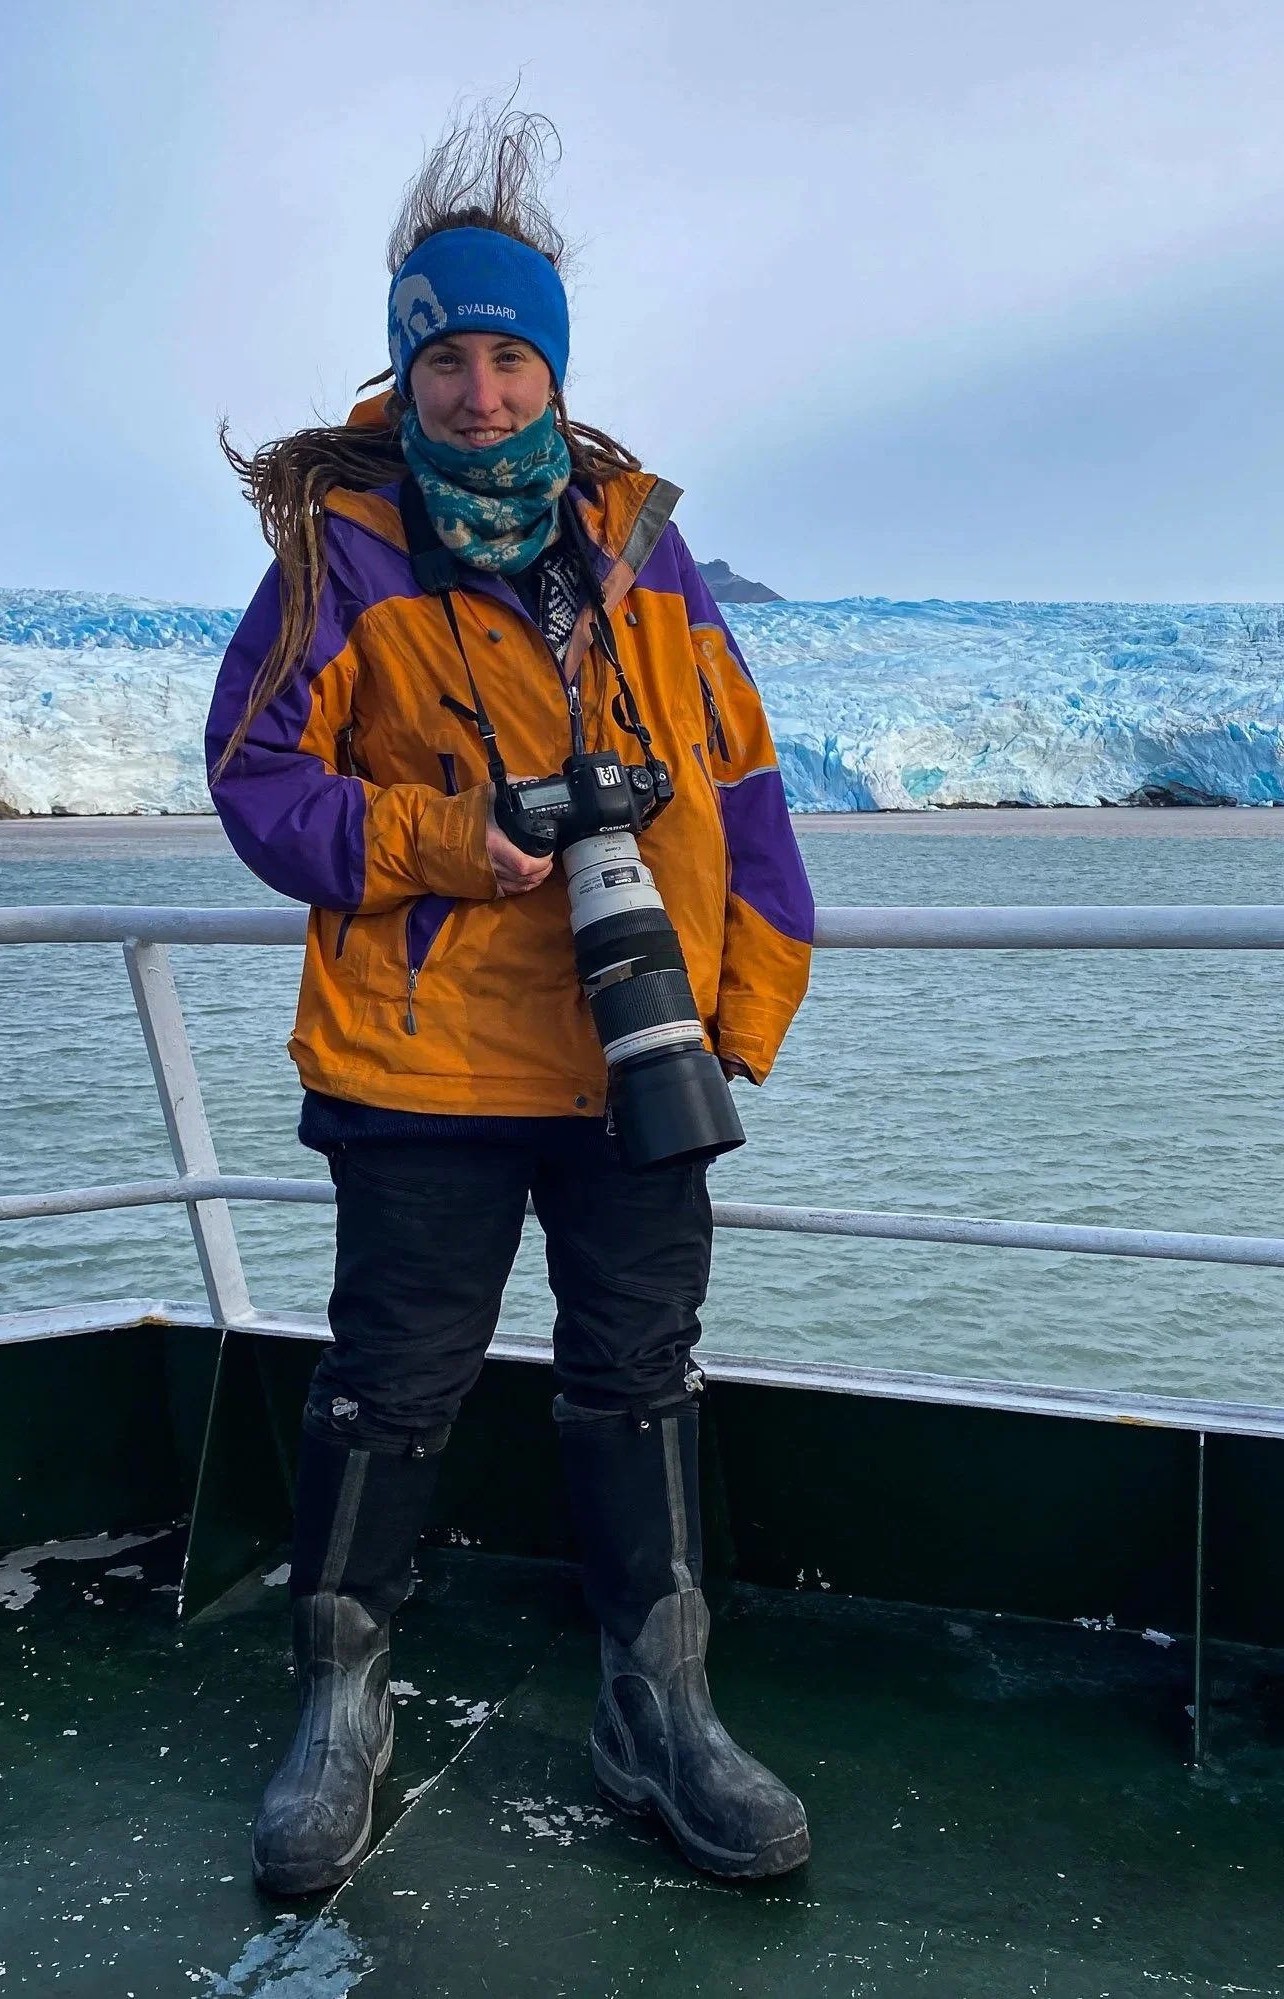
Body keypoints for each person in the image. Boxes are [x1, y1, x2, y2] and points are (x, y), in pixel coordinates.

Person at [205, 111, 815, 1895]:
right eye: (445, 356)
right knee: (393, 1380)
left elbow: (750, 793)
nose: (477, 392)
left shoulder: (642, 552)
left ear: (553, 365)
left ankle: (661, 1704)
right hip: (422, 1063)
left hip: (638, 1059)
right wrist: (446, 837)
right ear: (405, 369)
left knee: (637, 1376)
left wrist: (734, 1015)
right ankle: (341, 1695)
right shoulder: (342, 554)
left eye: (508, 354)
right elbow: (257, 783)